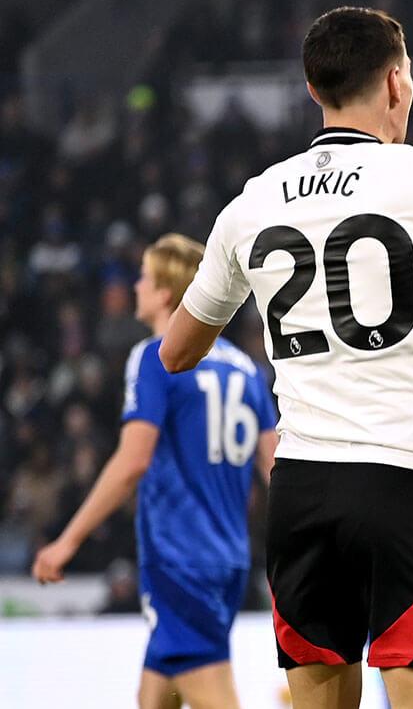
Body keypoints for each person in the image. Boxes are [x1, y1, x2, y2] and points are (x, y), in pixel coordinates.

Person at [158, 7, 413, 709]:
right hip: (411, 484)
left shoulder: (252, 202)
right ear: (394, 83)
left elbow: (176, 350)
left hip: (303, 495)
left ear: (313, 87)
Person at [33, 233, 279, 709]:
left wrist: (68, 540)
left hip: (178, 556)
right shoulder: (246, 371)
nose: (136, 286)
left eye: (144, 277)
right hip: (228, 558)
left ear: (166, 292)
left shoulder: (155, 356)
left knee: (212, 690)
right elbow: (275, 468)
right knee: (156, 693)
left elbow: (132, 461)